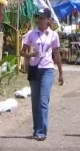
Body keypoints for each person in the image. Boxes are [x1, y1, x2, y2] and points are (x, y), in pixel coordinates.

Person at [20, 8, 65, 141]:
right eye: (38, 18)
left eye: (42, 18)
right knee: (35, 102)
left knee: (43, 101)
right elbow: (22, 52)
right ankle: (36, 128)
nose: (39, 20)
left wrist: (61, 72)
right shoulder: (31, 34)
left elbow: (56, 54)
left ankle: (42, 131)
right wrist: (31, 55)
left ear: (48, 20)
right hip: (34, 69)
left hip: (47, 69)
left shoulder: (53, 35)